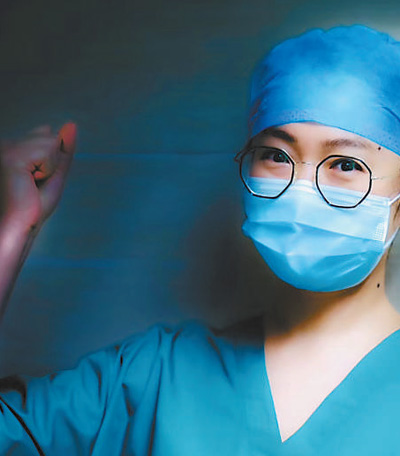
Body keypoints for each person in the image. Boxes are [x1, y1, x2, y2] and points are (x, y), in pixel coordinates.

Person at [1, 23, 400, 455]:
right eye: (275, 155)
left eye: (345, 164)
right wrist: (13, 229)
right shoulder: (154, 377)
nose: (301, 190)